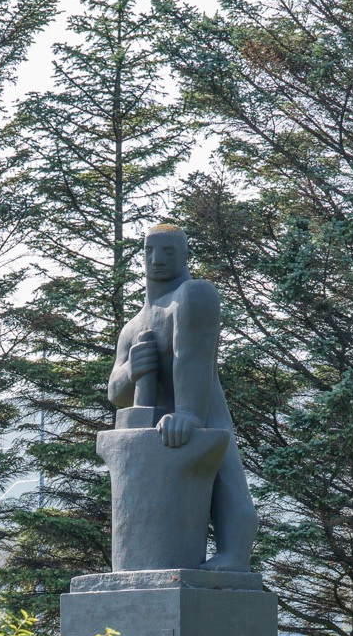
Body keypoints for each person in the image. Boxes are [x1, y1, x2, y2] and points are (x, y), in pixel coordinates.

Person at [106, 224, 257, 572]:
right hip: (152, 427)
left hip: (202, 409)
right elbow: (116, 393)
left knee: (225, 478)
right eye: (149, 251)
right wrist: (131, 370)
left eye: (168, 251)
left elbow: (192, 355)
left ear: (184, 254)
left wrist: (189, 413)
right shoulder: (132, 327)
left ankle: (234, 554)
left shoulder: (192, 296)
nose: (157, 259)